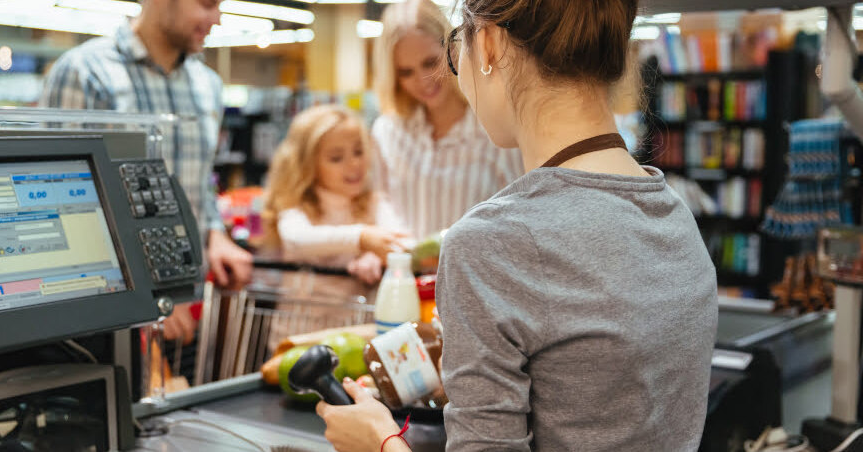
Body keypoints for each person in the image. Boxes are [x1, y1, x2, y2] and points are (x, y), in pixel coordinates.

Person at [316, 0, 718, 450]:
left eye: (455, 49)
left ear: (487, 44)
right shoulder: (676, 216)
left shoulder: (488, 244)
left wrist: (379, 440)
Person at [39, 0, 253, 343]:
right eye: (207, 4)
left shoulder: (207, 84)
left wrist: (215, 233)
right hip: (109, 314)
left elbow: (199, 181)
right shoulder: (86, 72)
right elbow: (60, 202)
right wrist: (149, 296)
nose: (217, 18)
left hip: (188, 306)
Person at [370, 0, 524, 240]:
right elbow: (377, 199)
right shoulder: (387, 131)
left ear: (453, 49)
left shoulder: (496, 128)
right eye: (406, 72)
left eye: (430, 62)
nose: (423, 80)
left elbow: (521, 212)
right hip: (405, 264)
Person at [261, 105, 410, 286]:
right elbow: (296, 239)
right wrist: (361, 238)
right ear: (308, 165)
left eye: (358, 152)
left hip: (359, 305)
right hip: (301, 305)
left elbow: (404, 243)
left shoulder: (374, 203)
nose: (354, 164)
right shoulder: (296, 206)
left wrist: (376, 256)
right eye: (336, 158)